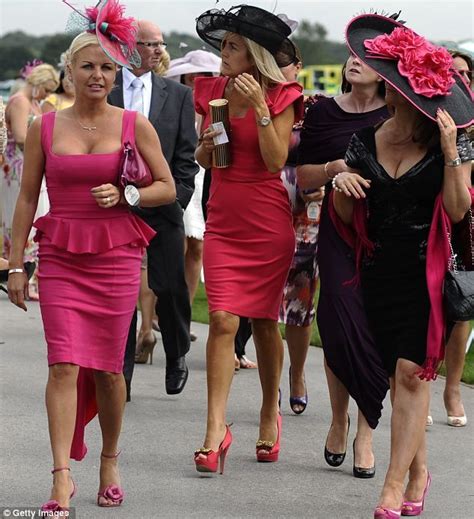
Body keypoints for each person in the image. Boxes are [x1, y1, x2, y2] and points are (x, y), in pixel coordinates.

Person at [7, 0, 175, 511]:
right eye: (88, 65)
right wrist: (16, 264)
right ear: (70, 71)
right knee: (62, 365)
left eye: (106, 66)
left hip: (117, 255)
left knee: (108, 371)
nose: (97, 74)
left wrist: (127, 195)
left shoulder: (132, 125)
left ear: (117, 71)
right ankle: (61, 476)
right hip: (61, 252)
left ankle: (108, 458)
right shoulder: (45, 128)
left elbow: (167, 188)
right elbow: (26, 196)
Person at [333, 14, 473, 517]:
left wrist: (452, 153)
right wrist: (341, 188)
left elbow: (458, 211)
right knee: (398, 382)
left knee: (413, 375)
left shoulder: (453, 139)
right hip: (376, 273)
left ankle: (391, 489)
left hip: (426, 274)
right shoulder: (365, 139)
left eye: (396, 84)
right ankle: (418, 470)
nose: (389, 90)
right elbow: (350, 216)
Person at [192, 4, 303, 472]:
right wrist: (205, 147)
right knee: (221, 319)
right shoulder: (211, 92)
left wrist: (259, 107)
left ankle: (267, 412)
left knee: (262, 322)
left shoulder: (282, 94)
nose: (224, 53)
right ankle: (215, 430)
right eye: (223, 45)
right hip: (224, 217)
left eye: (233, 46)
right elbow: (205, 157)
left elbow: (276, 161)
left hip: (267, 220)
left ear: (254, 54)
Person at [297, 51, 390, 468]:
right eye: (352, 55)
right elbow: (303, 177)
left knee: (375, 326)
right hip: (336, 231)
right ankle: (338, 419)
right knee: (335, 322)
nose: (355, 62)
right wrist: (334, 168)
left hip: (387, 233)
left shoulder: (396, 115)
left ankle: (366, 432)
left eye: (367, 59)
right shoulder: (322, 113)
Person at [108, 19, 199, 398]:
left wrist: (176, 197)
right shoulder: (108, 92)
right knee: (121, 293)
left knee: (171, 285)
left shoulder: (176, 96)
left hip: (164, 205)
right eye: (150, 44)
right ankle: (121, 374)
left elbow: (186, 156)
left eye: (161, 44)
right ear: (129, 48)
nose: (159, 51)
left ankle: (177, 354)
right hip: (116, 207)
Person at [426, 49, 474, 428]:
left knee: (462, 306)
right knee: (426, 305)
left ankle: (453, 388)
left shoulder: (471, 131)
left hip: (467, 223)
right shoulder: (425, 122)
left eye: (466, 74)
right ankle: (422, 385)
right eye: (453, 74)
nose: (461, 80)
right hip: (429, 216)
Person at [278, 44, 324, 414]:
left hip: (306, 216)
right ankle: (269, 383)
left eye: (284, 65)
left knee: (299, 301)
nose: (278, 72)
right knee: (261, 306)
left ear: (298, 65)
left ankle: (296, 373)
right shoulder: (256, 104)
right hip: (261, 208)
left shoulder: (317, 107)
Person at [166, 49, 221, 343]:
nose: (199, 79)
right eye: (194, 74)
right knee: (178, 245)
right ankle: (165, 312)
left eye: (206, 75)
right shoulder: (174, 102)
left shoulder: (216, 106)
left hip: (206, 175)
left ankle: (183, 318)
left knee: (197, 246)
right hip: (181, 174)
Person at [2, 63, 59, 299]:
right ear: (37, 83)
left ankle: (30, 274)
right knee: (20, 216)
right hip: (17, 167)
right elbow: (22, 136)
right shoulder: (19, 102)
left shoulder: (35, 104)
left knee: (37, 215)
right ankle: (19, 269)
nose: (47, 95)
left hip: (33, 164)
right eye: (46, 89)